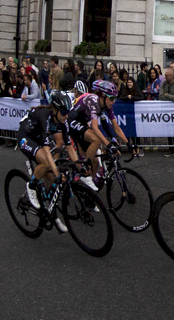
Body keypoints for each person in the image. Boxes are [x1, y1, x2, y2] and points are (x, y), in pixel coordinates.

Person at [16, 91, 72, 228]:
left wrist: (80, 167)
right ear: (55, 110)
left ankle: (52, 215)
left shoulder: (63, 121)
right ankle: (31, 185)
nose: (67, 115)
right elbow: (46, 150)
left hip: (38, 140)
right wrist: (57, 171)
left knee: (52, 179)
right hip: (26, 137)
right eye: (64, 111)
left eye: (68, 112)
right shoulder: (45, 116)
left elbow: (69, 146)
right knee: (48, 164)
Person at [65, 80, 130, 191]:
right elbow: (95, 128)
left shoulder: (107, 105)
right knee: (96, 140)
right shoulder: (94, 100)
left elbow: (116, 127)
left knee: (95, 162)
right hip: (72, 122)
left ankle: (89, 193)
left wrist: (129, 144)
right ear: (104, 96)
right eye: (112, 98)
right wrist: (109, 145)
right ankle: (84, 173)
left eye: (115, 99)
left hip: (82, 123)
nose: (114, 102)